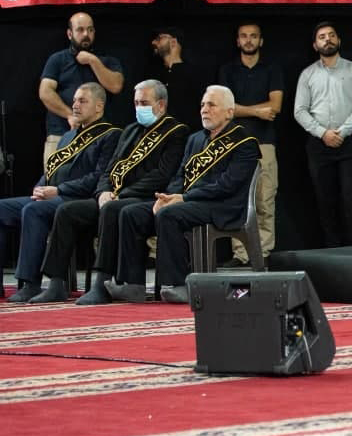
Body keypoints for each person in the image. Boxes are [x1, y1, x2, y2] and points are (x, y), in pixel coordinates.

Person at [30, 80, 188, 304]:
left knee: (113, 209)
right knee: (67, 211)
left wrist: (122, 194)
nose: (139, 108)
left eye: (144, 103)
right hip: (114, 196)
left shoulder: (176, 132)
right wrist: (103, 190)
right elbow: (110, 168)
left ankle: (101, 283)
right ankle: (56, 284)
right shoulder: (131, 130)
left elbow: (162, 175)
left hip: (145, 197)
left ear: (161, 105)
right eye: (136, 103)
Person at [113, 86, 259, 304]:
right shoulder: (195, 139)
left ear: (229, 112)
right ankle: (132, 284)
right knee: (131, 213)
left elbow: (226, 186)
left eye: (211, 105)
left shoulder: (244, 142)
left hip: (223, 205)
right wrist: (167, 197)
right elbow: (180, 175)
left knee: (169, 215)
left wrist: (182, 199)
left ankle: (177, 284)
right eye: (202, 105)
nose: (204, 110)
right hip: (188, 202)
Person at [1, 83, 121, 302]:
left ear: (99, 106)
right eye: (74, 100)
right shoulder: (68, 136)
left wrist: (58, 190)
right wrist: (40, 188)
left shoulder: (111, 135)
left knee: (34, 211)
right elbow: (51, 171)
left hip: (77, 199)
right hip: (52, 195)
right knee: (3, 208)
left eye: (82, 101)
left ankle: (31, 283)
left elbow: (98, 177)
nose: (75, 105)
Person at [294, 22, 352, 248]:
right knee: (324, 199)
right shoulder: (307, 74)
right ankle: (332, 248)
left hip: (350, 142)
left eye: (331, 35)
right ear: (315, 45)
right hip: (319, 144)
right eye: (322, 37)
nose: (327, 39)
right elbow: (299, 110)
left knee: (351, 198)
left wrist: (342, 132)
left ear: (339, 40)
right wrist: (323, 133)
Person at [218, 22, 284, 266]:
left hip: (264, 143)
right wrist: (258, 112)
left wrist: (240, 109)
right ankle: (241, 254)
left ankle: (263, 253)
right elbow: (225, 108)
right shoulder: (227, 70)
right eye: (244, 36)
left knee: (265, 199)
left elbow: (275, 106)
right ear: (237, 41)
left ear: (261, 41)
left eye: (253, 36)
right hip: (235, 143)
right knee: (238, 200)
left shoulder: (272, 69)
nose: (248, 40)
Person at [37, 11, 124, 165]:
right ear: (70, 34)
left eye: (90, 30)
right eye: (80, 30)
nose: (86, 34)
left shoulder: (107, 60)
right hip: (61, 134)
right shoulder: (58, 59)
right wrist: (70, 115)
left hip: (99, 137)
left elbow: (116, 86)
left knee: (99, 178)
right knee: (55, 179)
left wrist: (93, 61)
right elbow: (45, 92)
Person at [150, 27, 201, 130]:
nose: (153, 42)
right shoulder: (154, 74)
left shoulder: (193, 73)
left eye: (159, 38)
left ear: (173, 42)